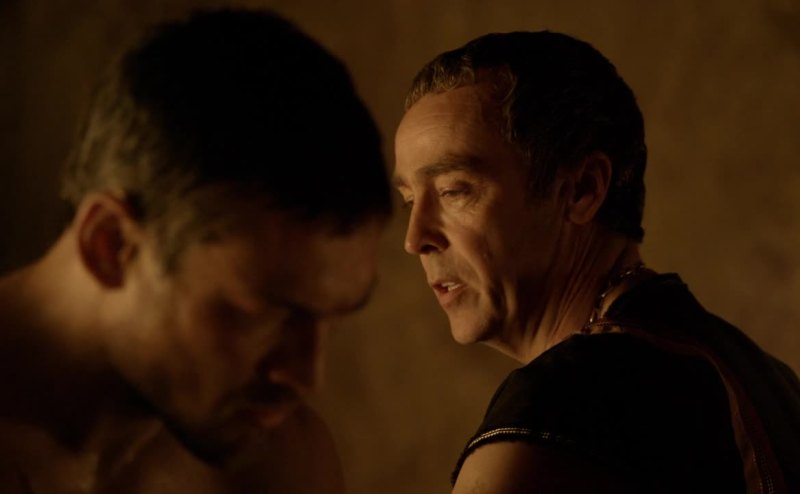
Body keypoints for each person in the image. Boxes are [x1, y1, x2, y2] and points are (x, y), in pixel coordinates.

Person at [0, 9, 391, 493]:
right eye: (259, 313)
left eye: (333, 317)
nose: (306, 377)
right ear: (111, 244)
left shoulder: (277, 460)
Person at [394, 31, 800, 493]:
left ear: (582, 190)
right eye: (409, 201)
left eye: (453, 190)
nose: (415, 239)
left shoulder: (560, 409)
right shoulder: (768, 380)